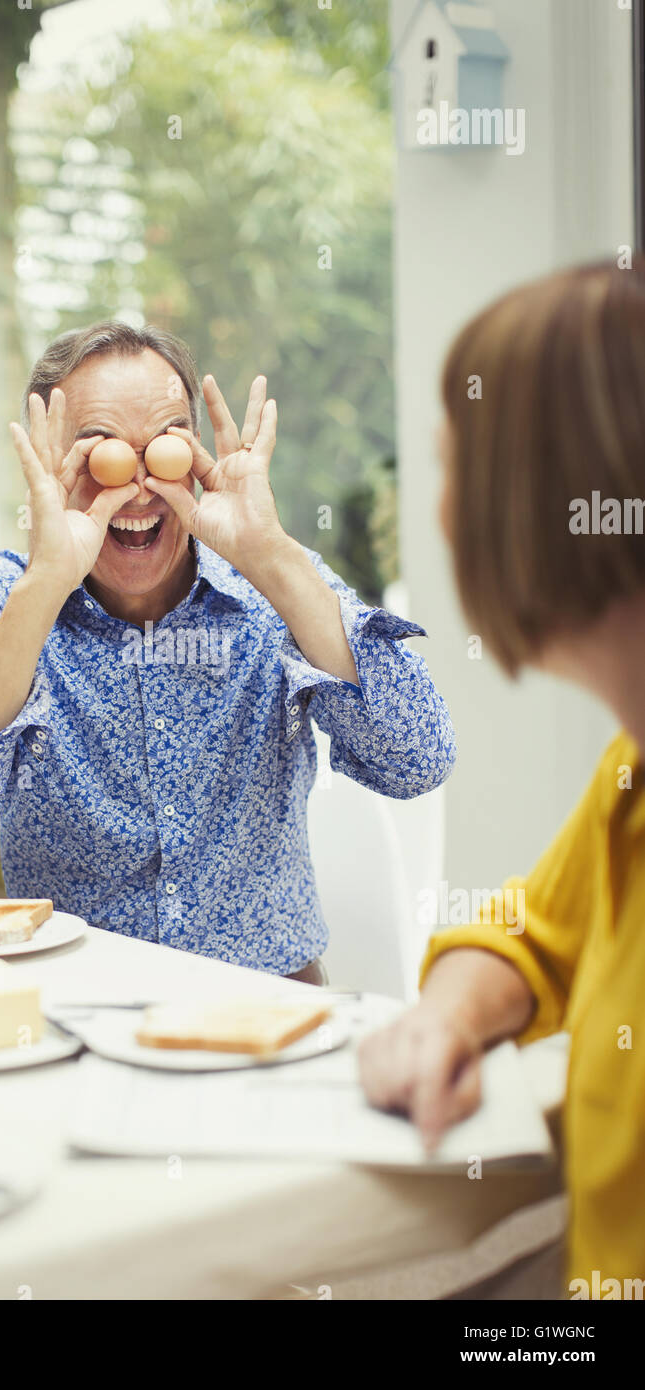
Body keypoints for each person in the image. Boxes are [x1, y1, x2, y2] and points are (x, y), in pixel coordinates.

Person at [0, 321, 455, 981]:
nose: (139, 487)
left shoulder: (274, 586)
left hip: (267, 1009)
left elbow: (417, 760)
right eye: (100, 453)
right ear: (47, 464)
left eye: (165, 447)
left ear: (196, 455)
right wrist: (45, 585)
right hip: (72, 1015)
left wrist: (273, 557)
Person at [358, 259, 645, 1294]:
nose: (439, 517)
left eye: (451, 470)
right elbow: (531, 931)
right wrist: (444, 1018)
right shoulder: (630, 769)